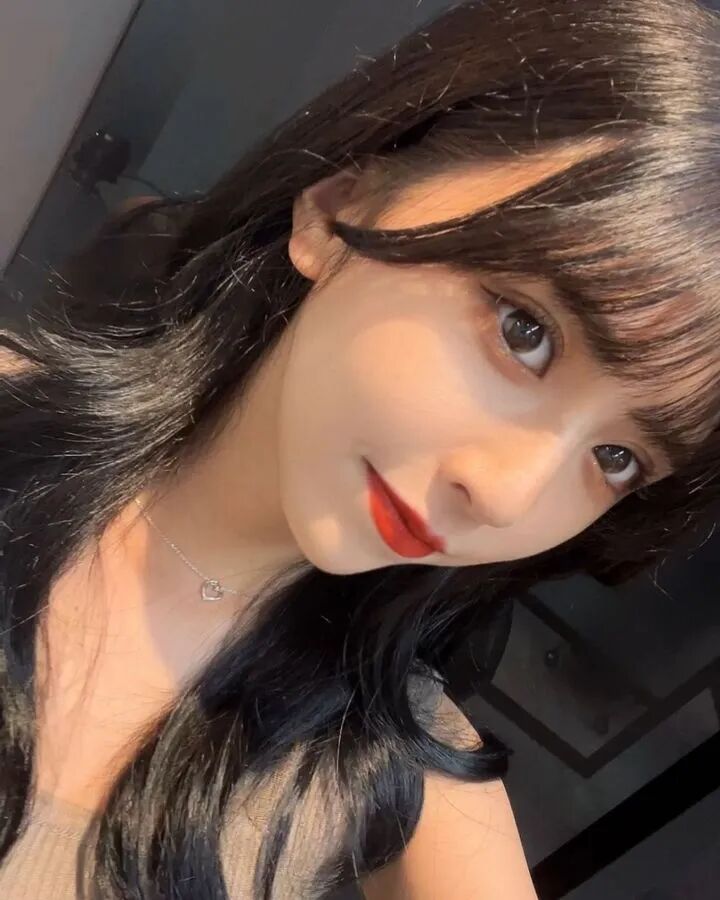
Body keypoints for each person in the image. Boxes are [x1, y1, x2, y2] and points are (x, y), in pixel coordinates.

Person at [2, 0, 720, 896]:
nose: (509, 495)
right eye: (525, 330)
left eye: (617, 460)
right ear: (337, 203)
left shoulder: (392, 762)